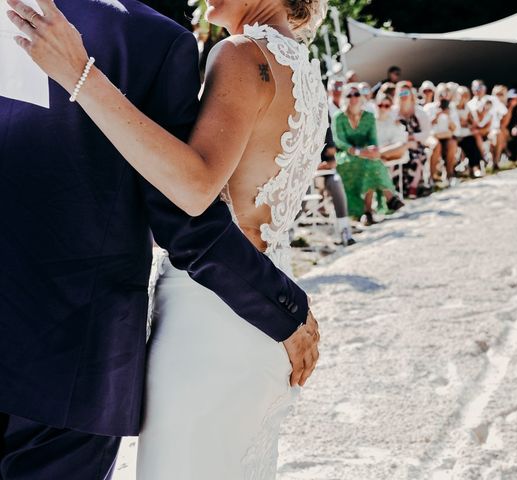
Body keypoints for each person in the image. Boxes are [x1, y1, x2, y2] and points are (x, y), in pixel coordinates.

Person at [6, 0, 326, 478]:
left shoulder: (238, 55)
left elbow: (191, 195)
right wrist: (282, 305)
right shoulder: (301, 71)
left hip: (209, 318)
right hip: (223, 310)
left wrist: (81, 73)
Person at [333, 84, 404, 225]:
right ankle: (389, 198)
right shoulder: (338, 117)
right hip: (346, 156)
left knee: (371, 161)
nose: (353, 98)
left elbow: (373, 140)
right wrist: (359, 151)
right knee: (370, 162)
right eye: (349, 95)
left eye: (356, 94)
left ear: (361, 97)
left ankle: (368, 211)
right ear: (344, 98)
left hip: (366, 153)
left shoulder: (369, 116)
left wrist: (371, 150)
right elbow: (339, 141)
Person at [394, 81, 438, 198]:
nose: (403, 95)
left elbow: (426, 132)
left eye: (406, 92)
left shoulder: (419, 111)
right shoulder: (394, 112)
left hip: (417, 144)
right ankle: (400, 188)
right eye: (401, 93)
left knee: (417, 157)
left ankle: (413, 186)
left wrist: (412, 137)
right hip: (400, 143)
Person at [319, 120, 356, 246]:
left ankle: (344, 229)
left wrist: (320, 167)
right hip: (300, 177)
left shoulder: (324, 127)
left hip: (323, 174)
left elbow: (332, 162)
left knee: (336, 181)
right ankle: (289, 231)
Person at [375, 92, 413, 191]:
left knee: (402, 145)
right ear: (376, 106)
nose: (383, 108)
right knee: (378, 161)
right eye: (380, 105)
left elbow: (399, 142)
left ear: (390, 107)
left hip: (390, 153)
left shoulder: (394, 122)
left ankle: (377, 154)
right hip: (378, 155)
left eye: (386, 106)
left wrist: (382, 149)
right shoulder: (371, 122)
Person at [456, 86, 484, 178]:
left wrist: (468, 124)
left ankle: (476, 166)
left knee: (472, 140)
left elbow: (471, 121)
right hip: (456, 133)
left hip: (465, 133)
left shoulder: (467, 107)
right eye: (462, 95)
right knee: (471, 139)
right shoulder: (453, 107)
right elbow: (456, 123)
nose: (463, 98)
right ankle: (478, 163)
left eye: (465, 95)